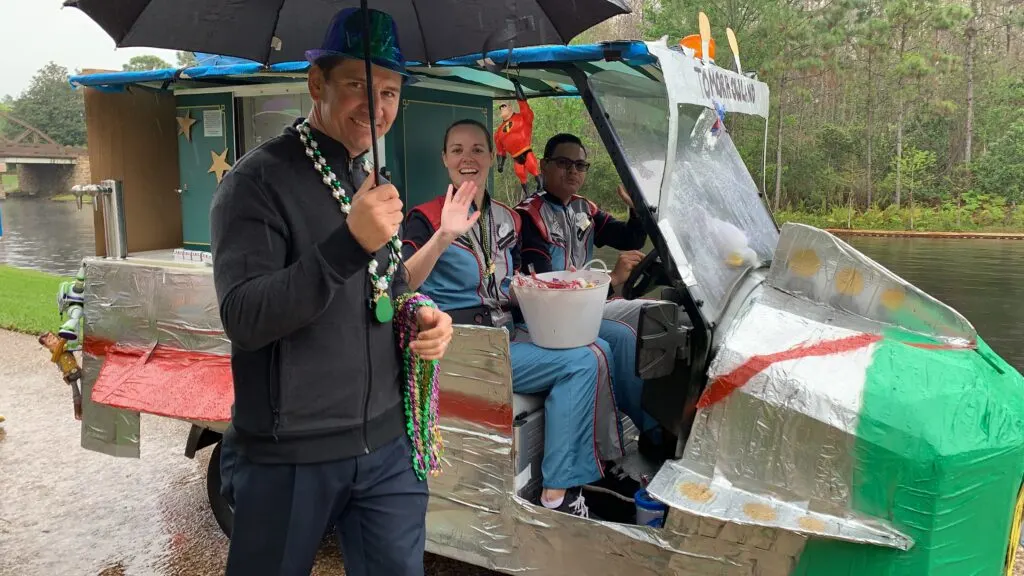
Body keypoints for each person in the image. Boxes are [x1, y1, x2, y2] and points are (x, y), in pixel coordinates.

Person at [208, 8, 453, 576]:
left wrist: (422, 316)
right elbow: (243, 316)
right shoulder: (256, 182)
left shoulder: (372, 182)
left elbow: (387, 287)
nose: (377, 105)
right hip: (289, 454)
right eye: (357, 85)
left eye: (390, 91)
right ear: (316, 84)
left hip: (390, 447)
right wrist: (348, 244)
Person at [401, 118, 631, 520]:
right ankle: (557, 496)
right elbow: (401, 283)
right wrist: (443, 237)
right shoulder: (424, 217)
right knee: (582, 361)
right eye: (457, 150)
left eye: (477, 149)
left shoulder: (509, 218)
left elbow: (525, 277)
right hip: (465, 344)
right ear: (444, 159)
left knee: (601, 347)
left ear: (492, 156)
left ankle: (588, 469)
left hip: (508, 331)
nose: (467, 158)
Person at [516, 133, 666, 501]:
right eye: (564, 163)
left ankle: (656, 433)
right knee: (607, 344)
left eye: (580, 164)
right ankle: (602, 457)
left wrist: (637, 210)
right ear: (546, 166)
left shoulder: (584, 209)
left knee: (630, 336)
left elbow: (628, 235)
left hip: (579, 311)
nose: (573, 171)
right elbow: (544, 284)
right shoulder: (528, 217)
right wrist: (613, 281)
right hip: (544, 321)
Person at [494, 80, 542, 198]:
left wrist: (517, 86)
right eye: (501, 107)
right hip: (515, 157)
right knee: (520, 173)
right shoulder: (499, 132)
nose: (502, 108)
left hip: (526, 151)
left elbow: (524, 105)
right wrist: (500, 164)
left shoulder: (522, 118)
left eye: (504, 106)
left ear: (510, 108)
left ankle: (541, 186)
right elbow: (500, 150)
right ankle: (527, 194)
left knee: (533, 167)